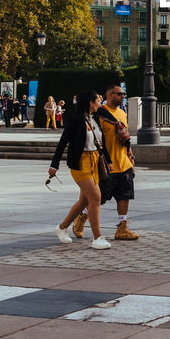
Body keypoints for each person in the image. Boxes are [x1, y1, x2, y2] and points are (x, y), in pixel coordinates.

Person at [48, 93, 113, 250]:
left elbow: (100, 142)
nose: (100, 103)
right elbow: (63, 142)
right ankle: (97, 237)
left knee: (85, 200)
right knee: (96, 197)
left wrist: (108, 161)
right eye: (98, 101)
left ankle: (62, 227)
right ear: (90, 102)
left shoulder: (94, 118)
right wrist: (54, 165)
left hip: (95, 161)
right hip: (80, 163)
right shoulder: (76, 119)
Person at [92, 84, 140, 241]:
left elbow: (125, 138)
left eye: (124, 94)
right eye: (120, 94)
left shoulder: (122, 113)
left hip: (123, 162)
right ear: (110, 95)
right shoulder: (99, 114)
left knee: (124, 195)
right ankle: (82, 217)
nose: (123, 96)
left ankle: (122, 227)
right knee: (98, 197)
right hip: (106, 164)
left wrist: (130, 157)